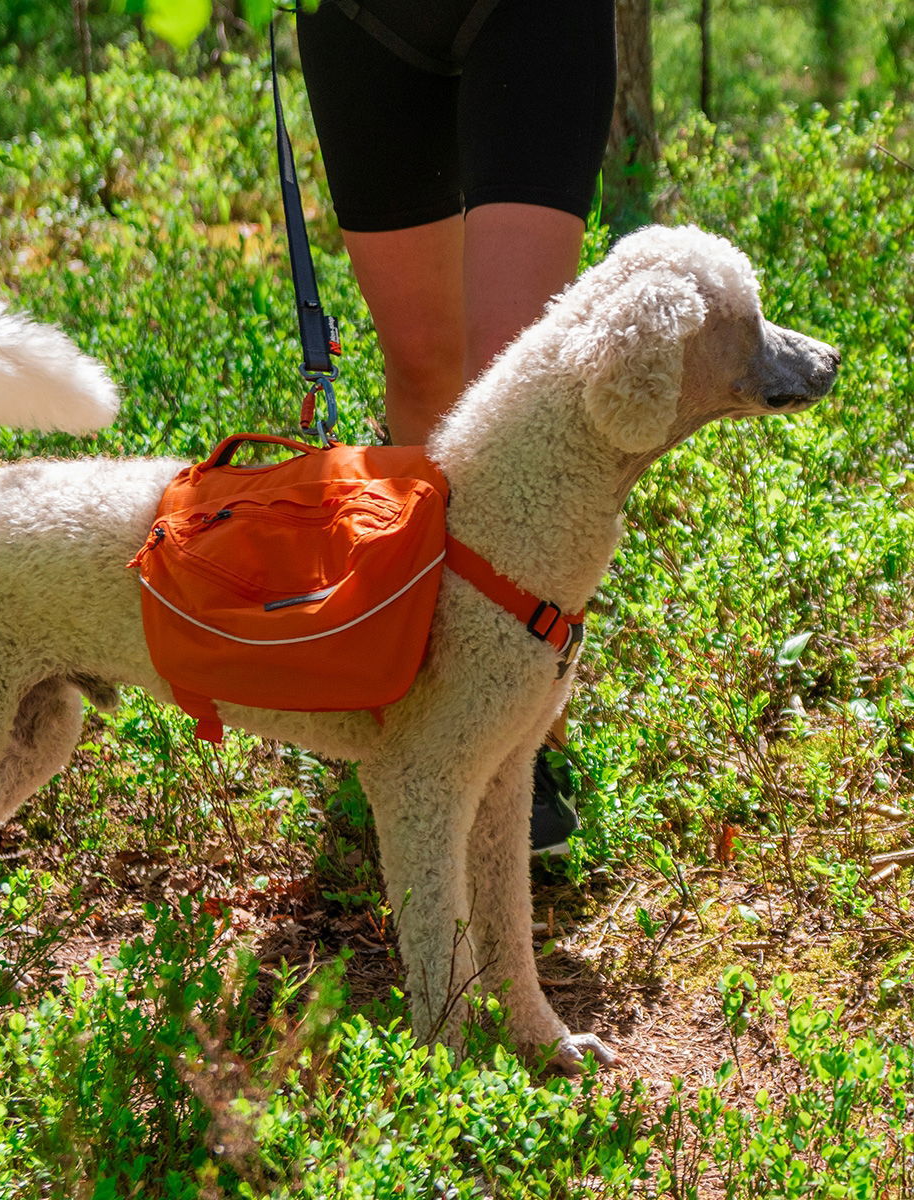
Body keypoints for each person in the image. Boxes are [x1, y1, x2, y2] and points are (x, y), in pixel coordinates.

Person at [296, 0, 617, 853]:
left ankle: (523, 739)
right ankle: (425, 687)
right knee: (423, 365)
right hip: (362, 20)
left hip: (530, 19)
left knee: (510, 377)